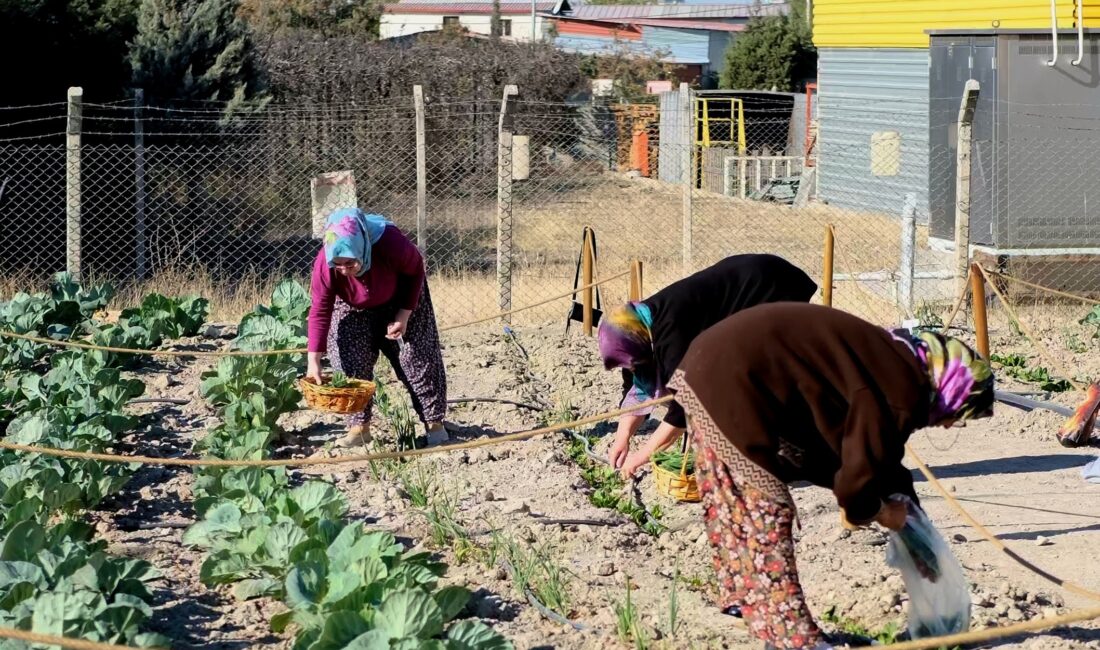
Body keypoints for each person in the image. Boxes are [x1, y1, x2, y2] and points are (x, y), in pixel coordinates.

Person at [666, 303, 994, 650]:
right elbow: (858, 476)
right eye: (960, 413)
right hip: (734, 381)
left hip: (710, 366)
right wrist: (880, 511)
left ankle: (745, 604)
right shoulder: (903, 390)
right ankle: (795, 640)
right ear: (952, 387)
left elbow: (879, 460)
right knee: (766, 511)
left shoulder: (896, 365)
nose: (949, 424)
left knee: (733, 505)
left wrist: (917, 537)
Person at [597, 254, 818, 477]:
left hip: (769, 287)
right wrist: (622, 437)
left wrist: (641, 457)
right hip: (745, 282)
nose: (632, 369)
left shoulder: (671, 337)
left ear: (639, 345)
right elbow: (638, 391)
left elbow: (684, 407)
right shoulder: (638, 329)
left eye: (632, 364)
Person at [306, 208, 448, 448]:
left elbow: (415, 271)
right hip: (352, 304)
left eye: (349, 262)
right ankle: (359, 428)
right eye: (337, 264)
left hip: (402, 296)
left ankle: (434, 424)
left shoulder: (390, 243)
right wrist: (314, 361)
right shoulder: (325, 264)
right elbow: (320, 310)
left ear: (362, 249)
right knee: (349, 357)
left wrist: (403, 315)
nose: (343, 269)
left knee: (416, 357)